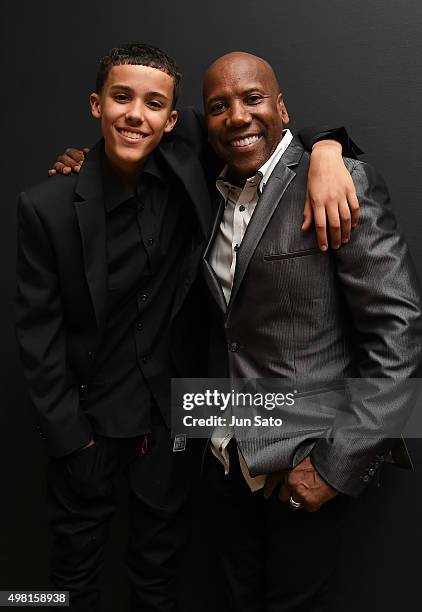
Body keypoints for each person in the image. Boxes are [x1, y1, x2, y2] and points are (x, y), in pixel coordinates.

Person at [16, 43, 359, 612]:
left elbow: (263, 119)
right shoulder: (46, 204)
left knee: (159, 579)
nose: (135, 114)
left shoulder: (189, 162)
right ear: (96, 104)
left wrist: (327, 147)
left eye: (154, 104)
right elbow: (37, 331)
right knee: (61, 587)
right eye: (121, 98)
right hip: (87, 427)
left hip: (179, 422)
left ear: (174, 120)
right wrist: (69, 436)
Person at [200, 51, 422, 612]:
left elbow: (398, 335)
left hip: (304, 465)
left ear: (281, 108)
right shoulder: (207, 188)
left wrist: (336, 464)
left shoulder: (338, 182)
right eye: (218, 106)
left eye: (252, 99)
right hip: (224, 455)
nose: (237, 116)